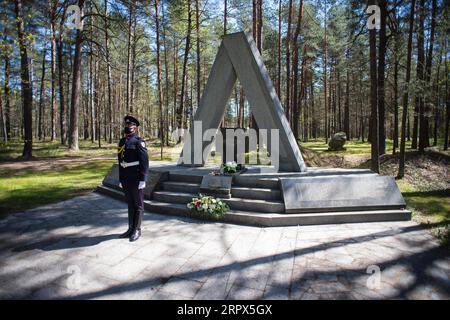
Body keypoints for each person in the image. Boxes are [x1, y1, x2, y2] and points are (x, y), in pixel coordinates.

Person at [117, 115, 149, 242]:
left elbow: (144, 162)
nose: (128, 127)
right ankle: (130, 228)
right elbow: (120, 161)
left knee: (138, 205)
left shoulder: (139, 142)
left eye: (131, 125)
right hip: (125, 178)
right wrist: (120, 178)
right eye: (127, 125)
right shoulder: (122, 142)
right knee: (130, 204)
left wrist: (143, 179)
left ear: (135, 128)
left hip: (136, 178)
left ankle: (137, 230)